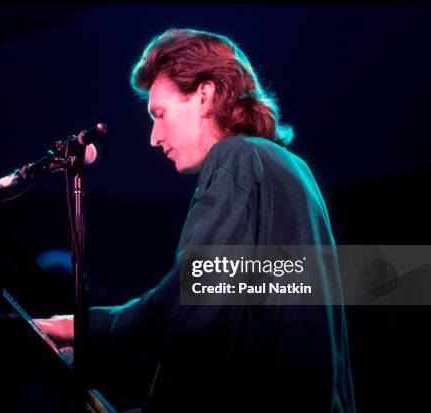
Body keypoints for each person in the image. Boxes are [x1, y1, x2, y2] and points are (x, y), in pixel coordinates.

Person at [35, 28, 356, 412]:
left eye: (160, 114)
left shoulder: (236, 156)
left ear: (204, 94)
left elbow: (199, 301)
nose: (154, 137)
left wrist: (87, 330)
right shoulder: (293, 169)